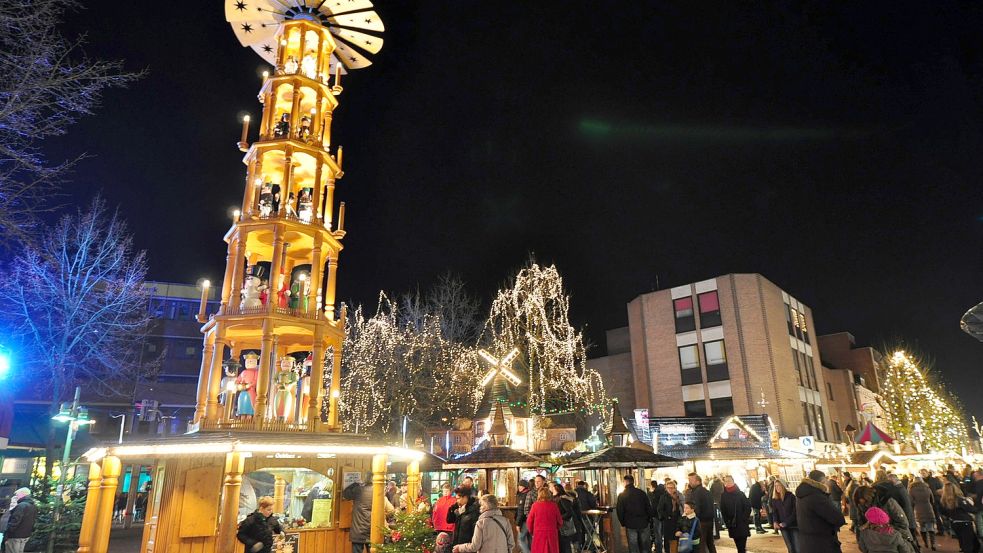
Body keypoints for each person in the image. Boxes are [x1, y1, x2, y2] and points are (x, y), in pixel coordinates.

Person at [795, 469, 845, 553]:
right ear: (822, 481)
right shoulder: (816, 496)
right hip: (822, 543)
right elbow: (838, 519)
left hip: (808, 542)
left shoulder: (802, 494)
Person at [615, 475, 653, 553]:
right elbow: (648, 507)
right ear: (633, 482)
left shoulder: (622, 495)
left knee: (633, 546)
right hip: (643, 522)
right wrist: (648, 519)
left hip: (630, 523)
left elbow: (620, 510)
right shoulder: (641, 493)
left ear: (625, 482)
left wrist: (623, 522)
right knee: (645, 544)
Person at [938, 482, 979, 553]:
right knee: (969, 544)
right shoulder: (959, 500)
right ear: (954, 489)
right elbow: (971, 509)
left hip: (954, 523)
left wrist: (950, 516)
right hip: (965, 523)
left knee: (964, 541)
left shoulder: (943, 501)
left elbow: (942, 512)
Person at [718, 476, 751, 553]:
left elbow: (747, 507)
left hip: (742, 523)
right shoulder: (723, 495)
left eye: (729, 481)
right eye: (726, 481)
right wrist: (727, 522)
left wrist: (744, 518)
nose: (728, 483)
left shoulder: (740, 494)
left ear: (733, 481)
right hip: (732, 524)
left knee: (741, 547)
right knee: (738, 545)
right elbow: (723, 510)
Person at [684, 473, 716, 553]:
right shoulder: (707, 491)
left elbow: (696, 508)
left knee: (700, 545)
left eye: (691, 480)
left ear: (698, 481)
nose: (689, 482)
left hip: (700, 521)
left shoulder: (696, 493)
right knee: (710, 544)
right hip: (709, 520)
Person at [527, 487, 562, 553]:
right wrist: (555, 528)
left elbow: (529, 521)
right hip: (552, 533)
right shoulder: (554, 506)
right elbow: (560, 521)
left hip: (538, 533)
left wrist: (532, 532)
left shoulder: (535, 506)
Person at [4, 488, 37, 553]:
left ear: (22, 494)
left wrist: (7, 533)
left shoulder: (21, 506)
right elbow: (34, 521)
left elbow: (15, 521)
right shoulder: (33, 506)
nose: (17, 496)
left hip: (15, 536)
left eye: (17, 494)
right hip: (25, 535)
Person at [908, 477, 937, 550]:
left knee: (922, 527)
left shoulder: (911, 490)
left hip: (918, 509)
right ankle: (933, 544)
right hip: (928, 508)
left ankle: (926, 543)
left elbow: (911, 502)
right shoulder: (927, 488)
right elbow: (932, 500)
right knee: (931, 527)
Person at [519, 476, 546, 553]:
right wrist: (532, 520)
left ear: (543, 482)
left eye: (539, 481)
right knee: (535, 542)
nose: (536, 483)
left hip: (546, 523)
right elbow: (526, 510)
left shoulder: (548, 492)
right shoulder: (531, 493)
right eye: (535, 481)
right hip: (535, 522)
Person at [657, 480, 684, 553]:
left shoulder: (678, 496)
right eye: (668, 488)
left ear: (675, 488)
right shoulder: (663, 497)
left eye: (672, 488)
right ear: (666, 488)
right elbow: (659, 509)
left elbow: (682, 507)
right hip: (668, 522)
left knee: (676, 539)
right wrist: (667, 516)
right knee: (667, 540)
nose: (670, 489)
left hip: (677, 521)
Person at [771, 479, 797, 553]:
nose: (777, 488)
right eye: (775, 486)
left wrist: (787, 522)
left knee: (797, 547)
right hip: (783, 527)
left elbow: (795, 512)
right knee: (790, 547)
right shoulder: (775, 499)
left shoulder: (791, 497)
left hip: (793, 525)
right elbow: (775, 512)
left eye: (778, 486)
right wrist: (775, 521)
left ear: (783, 486)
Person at [551, 482, 577, 553]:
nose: (551, 490)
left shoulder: (562, 499)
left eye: (553, 489)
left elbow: (569, 512)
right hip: (561, 525)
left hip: (564, 526)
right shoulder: (557, 498)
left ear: (557, 490)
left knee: (565, 544)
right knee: (563, 544)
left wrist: (559, 518)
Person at [649, 480, 666, 553]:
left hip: (657, 517)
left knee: (658, 534)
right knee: (665, 533)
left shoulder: (655, 494)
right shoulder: (665, 493)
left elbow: (654, 506)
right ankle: (666, 548)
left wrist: (652, 515)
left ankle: (659, 550)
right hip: (665, 517)